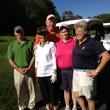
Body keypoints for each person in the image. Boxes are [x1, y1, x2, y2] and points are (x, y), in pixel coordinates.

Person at [72, 20, 110, 110]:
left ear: (86, 31)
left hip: (86, 74)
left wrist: (97, 70)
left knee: (89, 98)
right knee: (76, 94)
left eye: (79, 30)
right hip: (76, 73)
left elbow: (106, 56)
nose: (77, 32)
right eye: (76, 30)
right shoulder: (77, 41)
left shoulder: (93, 43)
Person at [7, 26, 36, 110]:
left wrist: (30, 67)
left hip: (29, 69)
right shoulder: (12, 45)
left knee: (32, 88)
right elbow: (10, 59)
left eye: (21, 31)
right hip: (18, 70)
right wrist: (17, 69)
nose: (19, 33)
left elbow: (34, 56)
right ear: (14, 33)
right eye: (17, 32)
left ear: (23, 32)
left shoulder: (30, 43)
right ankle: (21, 105)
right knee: (19, 89)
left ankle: (31, 105)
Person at [33, 27, 58, 110]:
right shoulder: (36, 47)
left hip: (50, 72)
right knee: (43, 90)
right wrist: (36, 71)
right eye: (40, 35)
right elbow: (36, 59)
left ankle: (54, 103)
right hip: (40, 72)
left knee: (52, 90)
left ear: (46, 35)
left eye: (44, 34)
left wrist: (55, 72)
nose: (42, 36)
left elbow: (54, 58)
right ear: (38, 36)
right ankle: (48, 103)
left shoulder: (51, 44)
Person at [56, 25, 77, 110]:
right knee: (65, 89)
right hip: (61, 71)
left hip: (72, 70)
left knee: (73, 88)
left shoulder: (74, 42)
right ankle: (67, 105)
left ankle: (75, 105)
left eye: (66, 31)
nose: (65, 33)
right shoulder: (57, 44)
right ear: (60, 34)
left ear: (68, 33)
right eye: (62, 32)